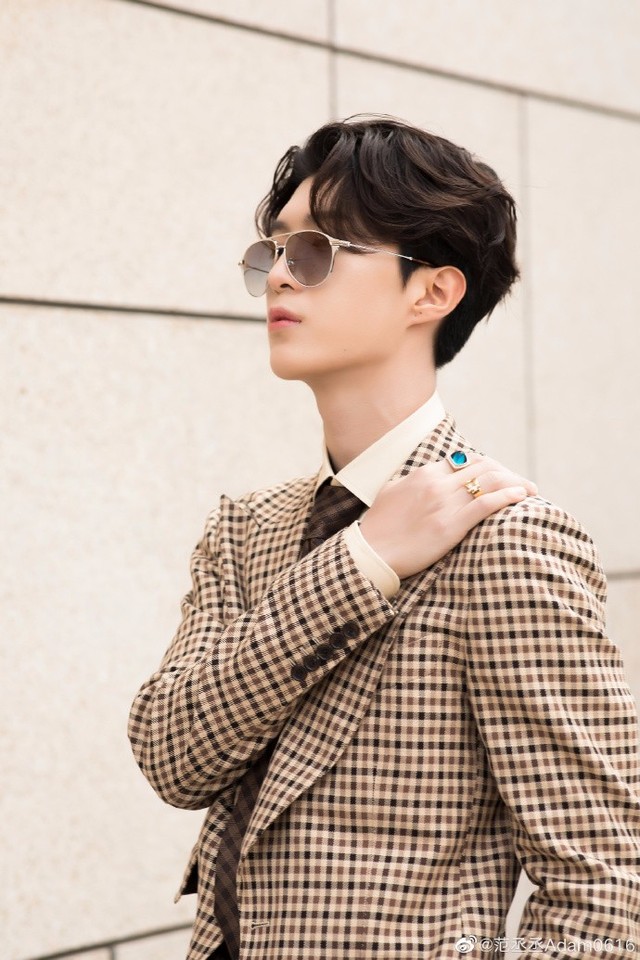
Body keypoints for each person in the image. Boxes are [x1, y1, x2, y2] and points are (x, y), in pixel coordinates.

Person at [128, 115, 640, 959]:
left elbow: (604, 891)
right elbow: (172, 756)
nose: (278, 275)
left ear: (431, 293)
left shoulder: (512, 544)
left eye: (317, 251)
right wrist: (362, 560)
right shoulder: (245, 529)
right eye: (272, 251)